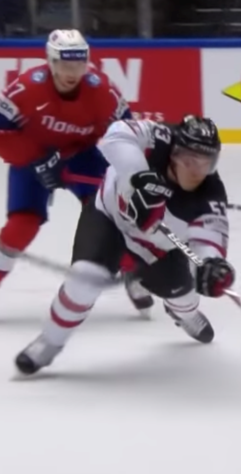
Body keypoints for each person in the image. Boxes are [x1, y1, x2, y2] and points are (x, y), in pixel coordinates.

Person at [15, 115, 236, 376]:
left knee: (184, 296)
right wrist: (138, 178)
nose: (196, 171)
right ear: (174, 153)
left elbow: (209, 238)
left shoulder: (211, 195)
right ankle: (49, 342)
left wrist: (210, 265)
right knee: (84, 281)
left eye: (206, 163)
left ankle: (184, 314)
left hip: (157, 249)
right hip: (108, 219)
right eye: (189, 159)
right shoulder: (160, 137)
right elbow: (116, 134)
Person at [0, 29, 145, 305]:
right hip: (34, 157)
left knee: (112, 213)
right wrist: (35, 157)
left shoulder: (103, 91)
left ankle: (133, 274)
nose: (72, 71)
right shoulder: (26, 88)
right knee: (22, 225)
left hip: (82, 156)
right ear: (50, 62)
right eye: (65, 64)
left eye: (79, 64)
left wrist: (133, 173)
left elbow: (129, 134)